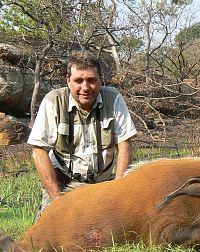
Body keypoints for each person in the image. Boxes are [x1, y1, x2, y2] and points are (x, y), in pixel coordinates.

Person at [28, 50, 137, 220]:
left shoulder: (113, 97)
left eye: (91, 80)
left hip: (104, 187)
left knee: (117, 233)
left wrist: (118, 194)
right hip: (64, 185)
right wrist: (57, 200)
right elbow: (38, 150)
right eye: (78, 80)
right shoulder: (53, 100)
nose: (85, 88)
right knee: (49, 236)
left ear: (101, 79)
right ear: (68, 80)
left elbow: (125, 144)